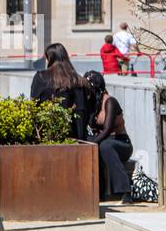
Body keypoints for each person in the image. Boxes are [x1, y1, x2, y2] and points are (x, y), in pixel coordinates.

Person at [84, 70, 135, 203]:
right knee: (96, 145)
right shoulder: (93, 104)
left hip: (121, 143)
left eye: (88, 89)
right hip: (103, 143)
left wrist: (90, 144)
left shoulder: (110, 102)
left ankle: (126, 191)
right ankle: (98, 193)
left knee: (104, 146)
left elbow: (107, 130)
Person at [31, 43, 92, 141]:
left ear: (49, 58)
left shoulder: (41, 77)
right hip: (74, 136)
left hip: (46, 133)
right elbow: (83, 110)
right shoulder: (78, 80)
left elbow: (33, 104)